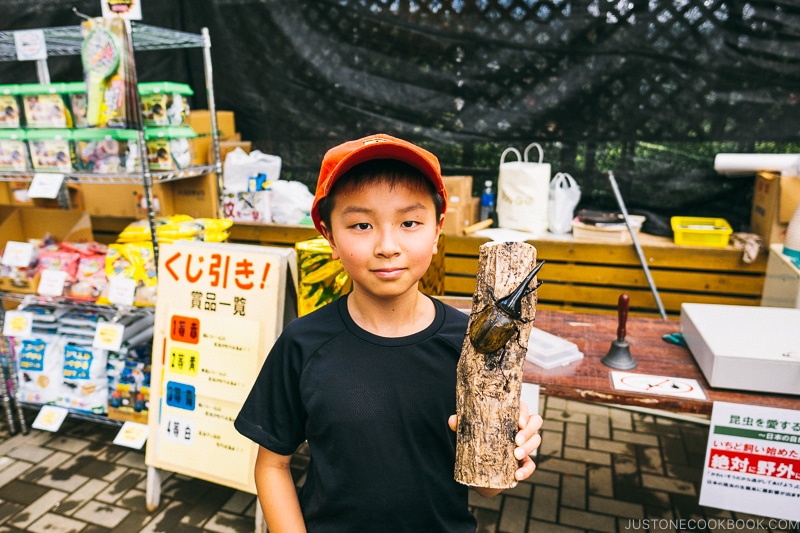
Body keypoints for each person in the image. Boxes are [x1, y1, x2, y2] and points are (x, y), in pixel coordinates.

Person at [234, 133, 544, 532]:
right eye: (361, 224)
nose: (387, 245)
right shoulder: (302, 343)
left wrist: (510, 449)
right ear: (329, 235)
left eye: (409, 222)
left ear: (437, 231)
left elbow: (486, 489)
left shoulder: (471, 345)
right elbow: (273, 464)